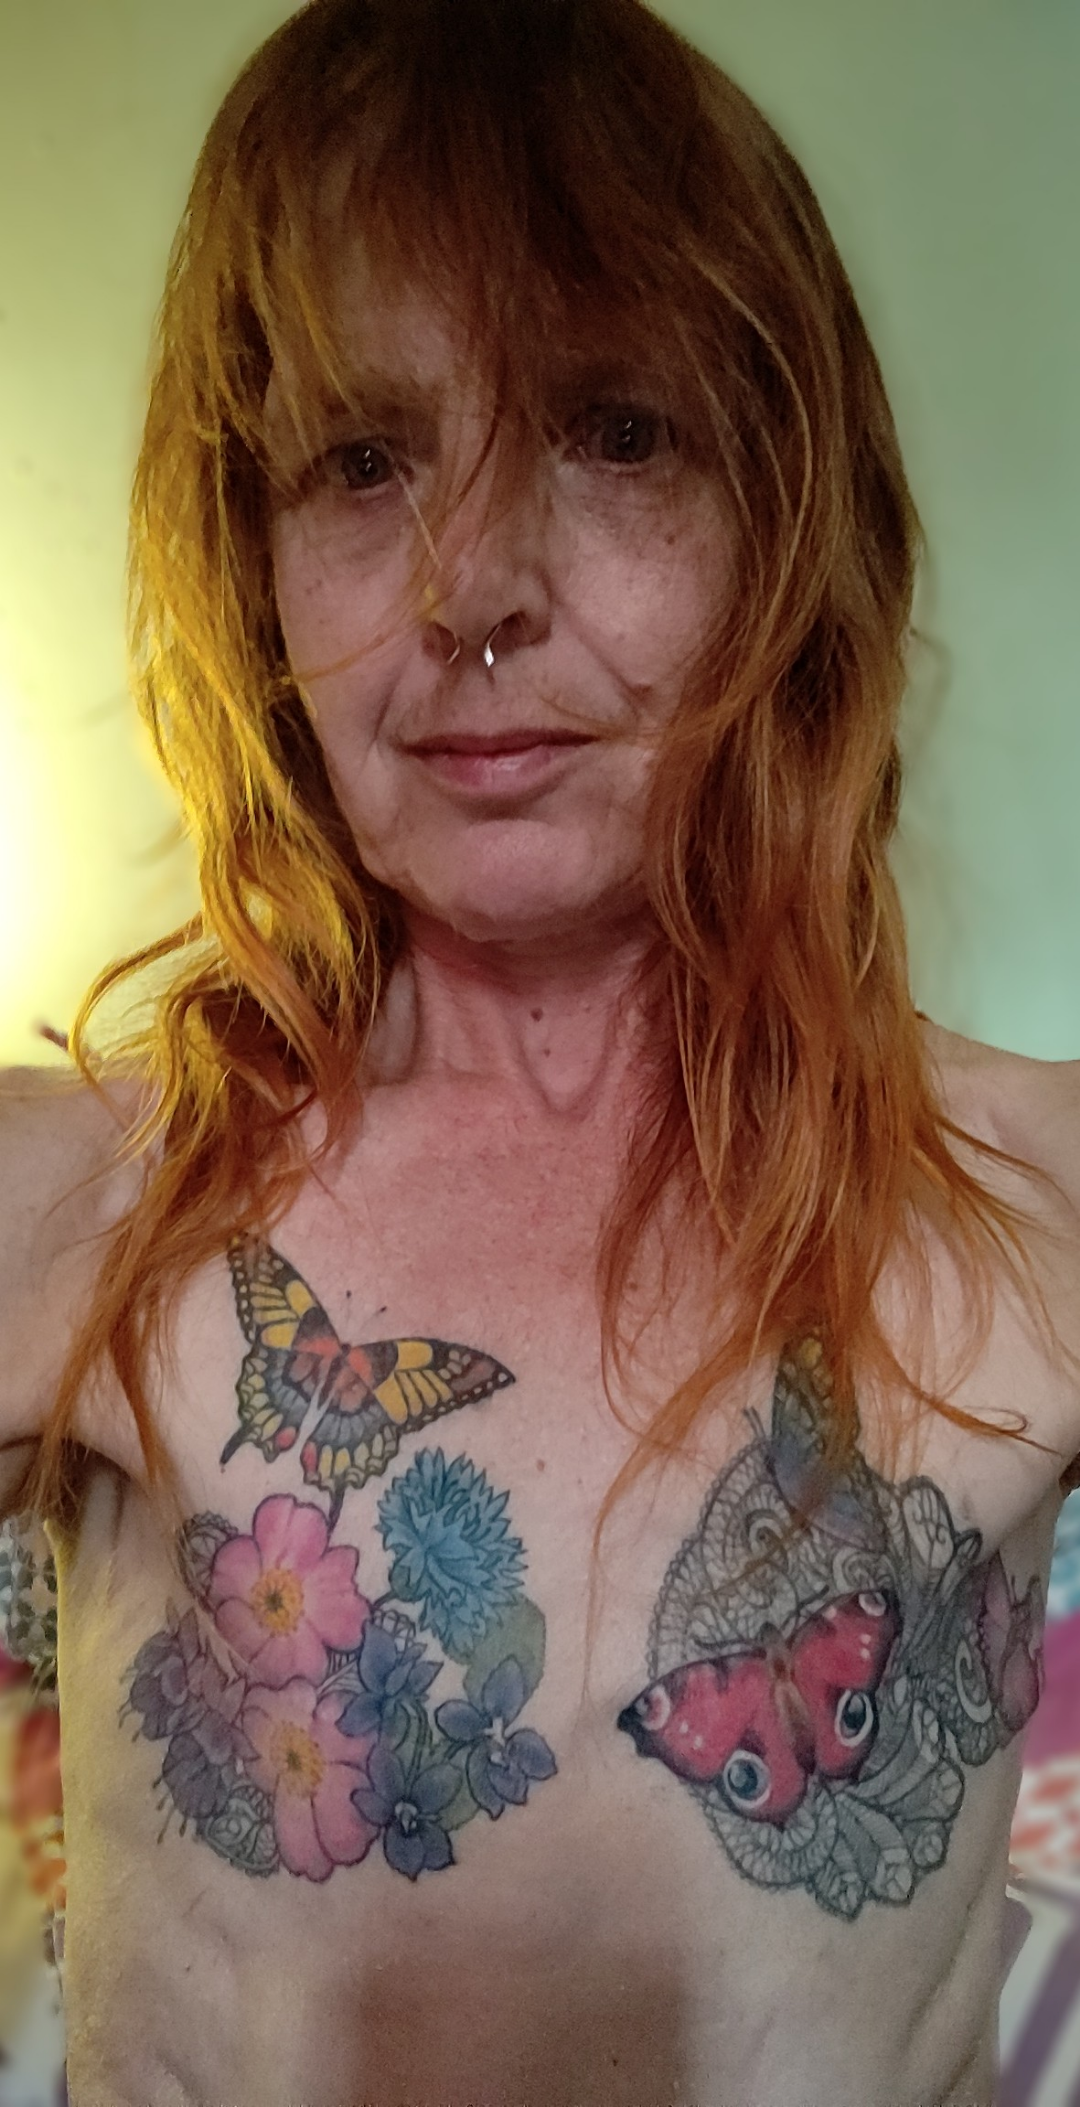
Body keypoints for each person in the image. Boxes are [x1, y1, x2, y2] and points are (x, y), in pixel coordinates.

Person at [2, 0, 1079, 2100]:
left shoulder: (1035, 1205)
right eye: (362, 457)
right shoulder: (91, 1205)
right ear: (249, 565)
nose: (473, 584)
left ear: (788, 521)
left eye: (615, 430)